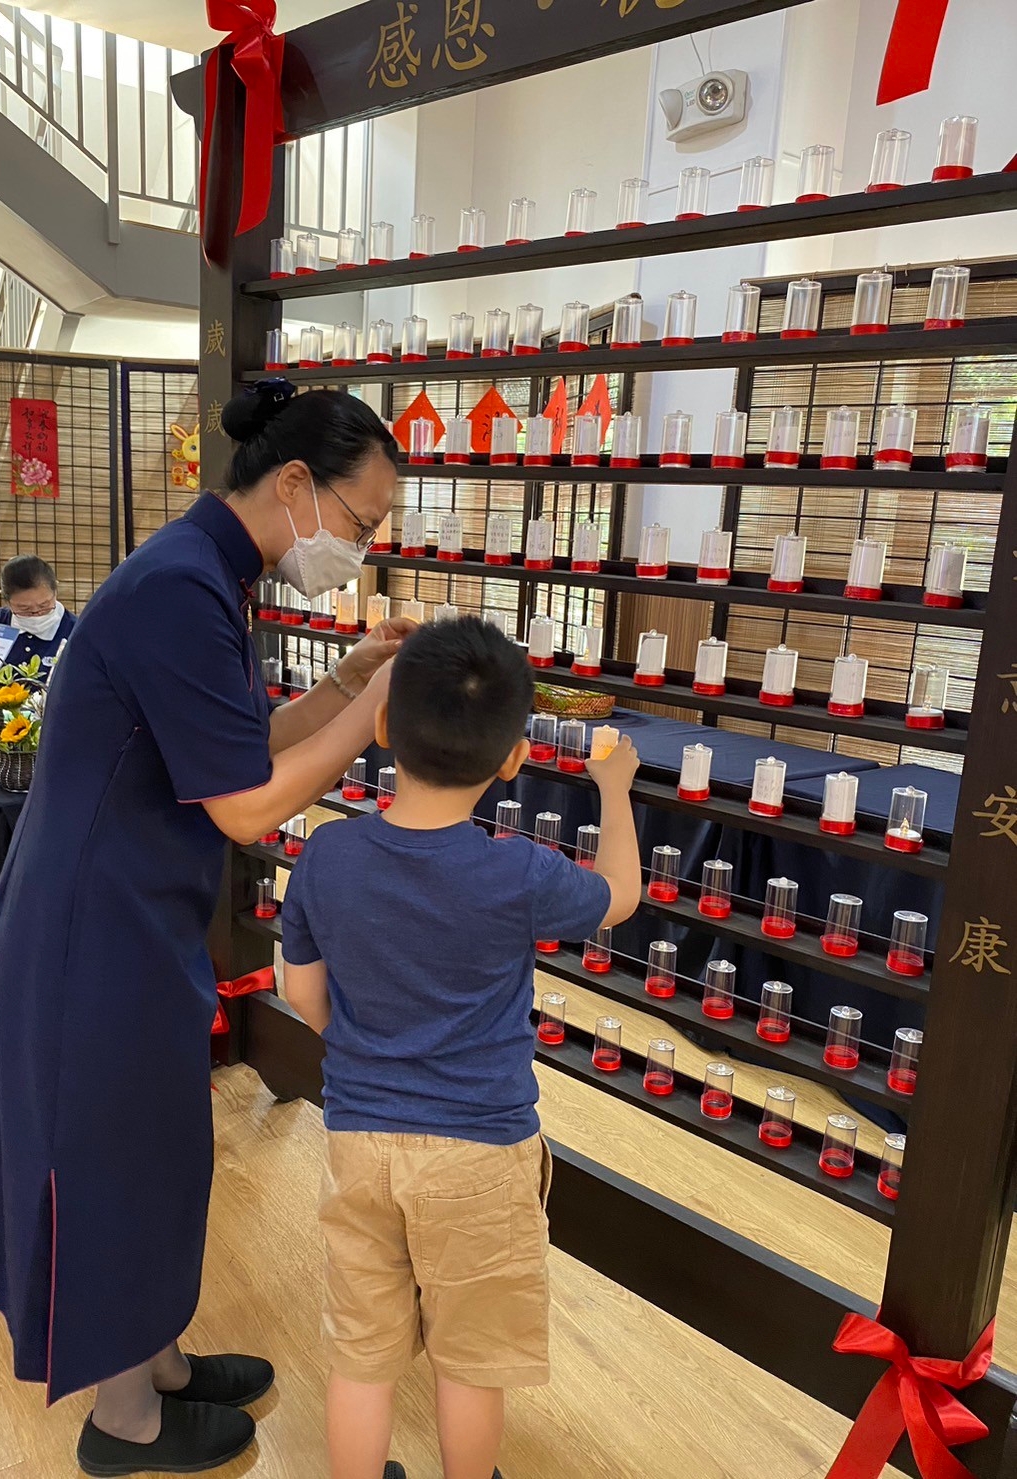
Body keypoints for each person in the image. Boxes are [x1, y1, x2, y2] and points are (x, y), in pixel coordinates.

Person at [0, 381, 413, 1477]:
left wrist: (342, 688)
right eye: (362, 521)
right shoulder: (177, 589)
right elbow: (248, 806)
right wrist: (370, 727)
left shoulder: (208, 576)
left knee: (157, 1156)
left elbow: (234, 748)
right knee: (113, 1162)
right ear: (296, 484)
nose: (360, 547)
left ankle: (155, 1364)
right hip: (89, 932)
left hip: (130, 917)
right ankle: (124, 1424)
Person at [281, 618, 643, 1479]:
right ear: (513, 757)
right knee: (473, 1357)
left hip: (360, 1140)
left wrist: (370, 1053)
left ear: (380, 728)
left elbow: (300, 992)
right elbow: (619, 897)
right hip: (481, 1151)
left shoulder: (328, 852)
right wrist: (615, 787)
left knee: (360, 1352)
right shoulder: (517, 872)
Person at [0, 554, 76, 679]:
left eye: (44, 605)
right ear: (6, 600)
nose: (36, 613)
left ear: (55, 590)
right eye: (24, 609)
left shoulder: (74, 630)